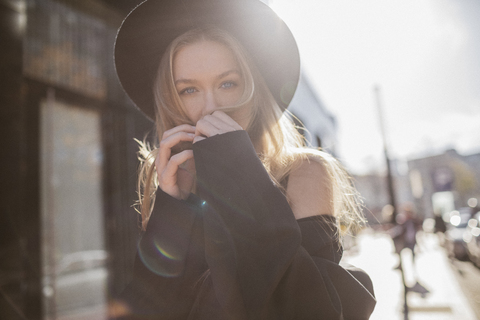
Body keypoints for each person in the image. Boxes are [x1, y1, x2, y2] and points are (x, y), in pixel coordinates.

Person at [113, 0, 376, 319]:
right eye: (189, 90)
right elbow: (143, 310)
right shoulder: (174, 183)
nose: (212, 107)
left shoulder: (303, 172)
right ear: (171, 102)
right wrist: (173, 207)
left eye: (227, 84)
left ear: (253, 91)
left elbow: (311, 310)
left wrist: (241, 175)